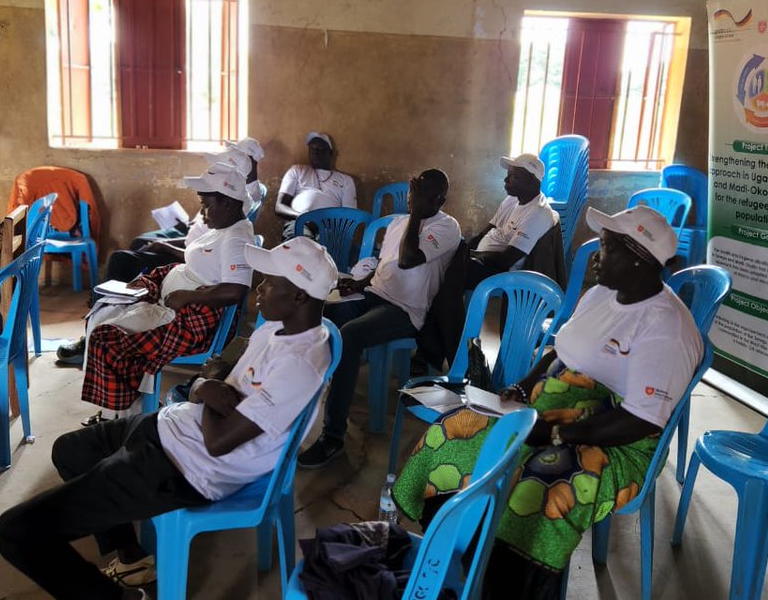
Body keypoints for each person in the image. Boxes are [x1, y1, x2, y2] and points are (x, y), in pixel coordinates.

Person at [0, 237, 338, 599]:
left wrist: (203, 389)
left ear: (300, 296)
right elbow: (224, 375)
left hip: (185, 469)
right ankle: (132, 559)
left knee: (14, 533)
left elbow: (218, 442)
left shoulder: (298, 365)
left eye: (269, 282)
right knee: (69, 451)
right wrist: (208, 386)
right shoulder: (277, 327)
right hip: (171, 428)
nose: (259, 288)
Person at [390, 205, 702, 598]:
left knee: (537, 489)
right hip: (544, 413)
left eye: (607, 249)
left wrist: (555, 434)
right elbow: (560, 351)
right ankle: (451, 561)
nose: (595, 257)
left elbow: (641, 421)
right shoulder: (603, 296)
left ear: (639, 261)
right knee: (451, 432)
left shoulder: (665, 328)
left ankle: (504, 588)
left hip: (614, 441)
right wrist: (523, 387)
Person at [297, 169, 460, 468]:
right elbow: (388, 264)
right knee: (320, 313)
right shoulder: (399, 223)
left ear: (439, 199)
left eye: (420, 194)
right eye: (413, 193)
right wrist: (359, 284)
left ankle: (332, 437)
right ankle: (300, 397)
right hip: (374, 294)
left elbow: (410, 259)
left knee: (351, 335)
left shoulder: (448, 227)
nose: (412, 199)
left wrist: (417, 215)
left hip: (404, 310)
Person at [72, 162, 255, 423]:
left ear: (229, 203)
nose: (203, 212)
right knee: (101, 315)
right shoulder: (223, 229)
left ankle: (124, 419)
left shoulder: (237, 239)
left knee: (107, 337)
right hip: (171, 305)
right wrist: (157, 278)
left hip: (187, 320)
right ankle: (120, 412)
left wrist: (188, 296)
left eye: (207, 205)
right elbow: (200, 264)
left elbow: (235, 291)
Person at [103, 140, 264, 284]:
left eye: (206, 206)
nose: (203, 212)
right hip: (189, 245)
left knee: (121, 260)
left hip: (186, 261)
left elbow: (226, 282)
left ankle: (112, 299)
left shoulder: (231, 214)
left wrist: (167, 247)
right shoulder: (224, 213)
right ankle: (118, 296)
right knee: (137, 247)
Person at [464, 153, 558, 289]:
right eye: (508, 174)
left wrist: (474, 255)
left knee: (455, 271)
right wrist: (464, 249)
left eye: (514, 176)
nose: (506, 179)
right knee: (445, 258)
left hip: (502, 272)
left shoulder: (538, 212)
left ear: (531, 180)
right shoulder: (513, 199)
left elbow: (507, 260)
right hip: (482, 260)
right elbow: (485, 231)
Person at [275, 132, 357, 239]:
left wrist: (324, 220)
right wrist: (302, 216)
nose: (315, 152)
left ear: (331, 153)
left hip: (329, 227)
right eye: (312, 149)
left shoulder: (346, 180)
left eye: (320, 149)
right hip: (299, 221)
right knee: (301, 246)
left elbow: (349, 216)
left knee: (325, 249)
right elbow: (279, 207)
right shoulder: (297, 171)